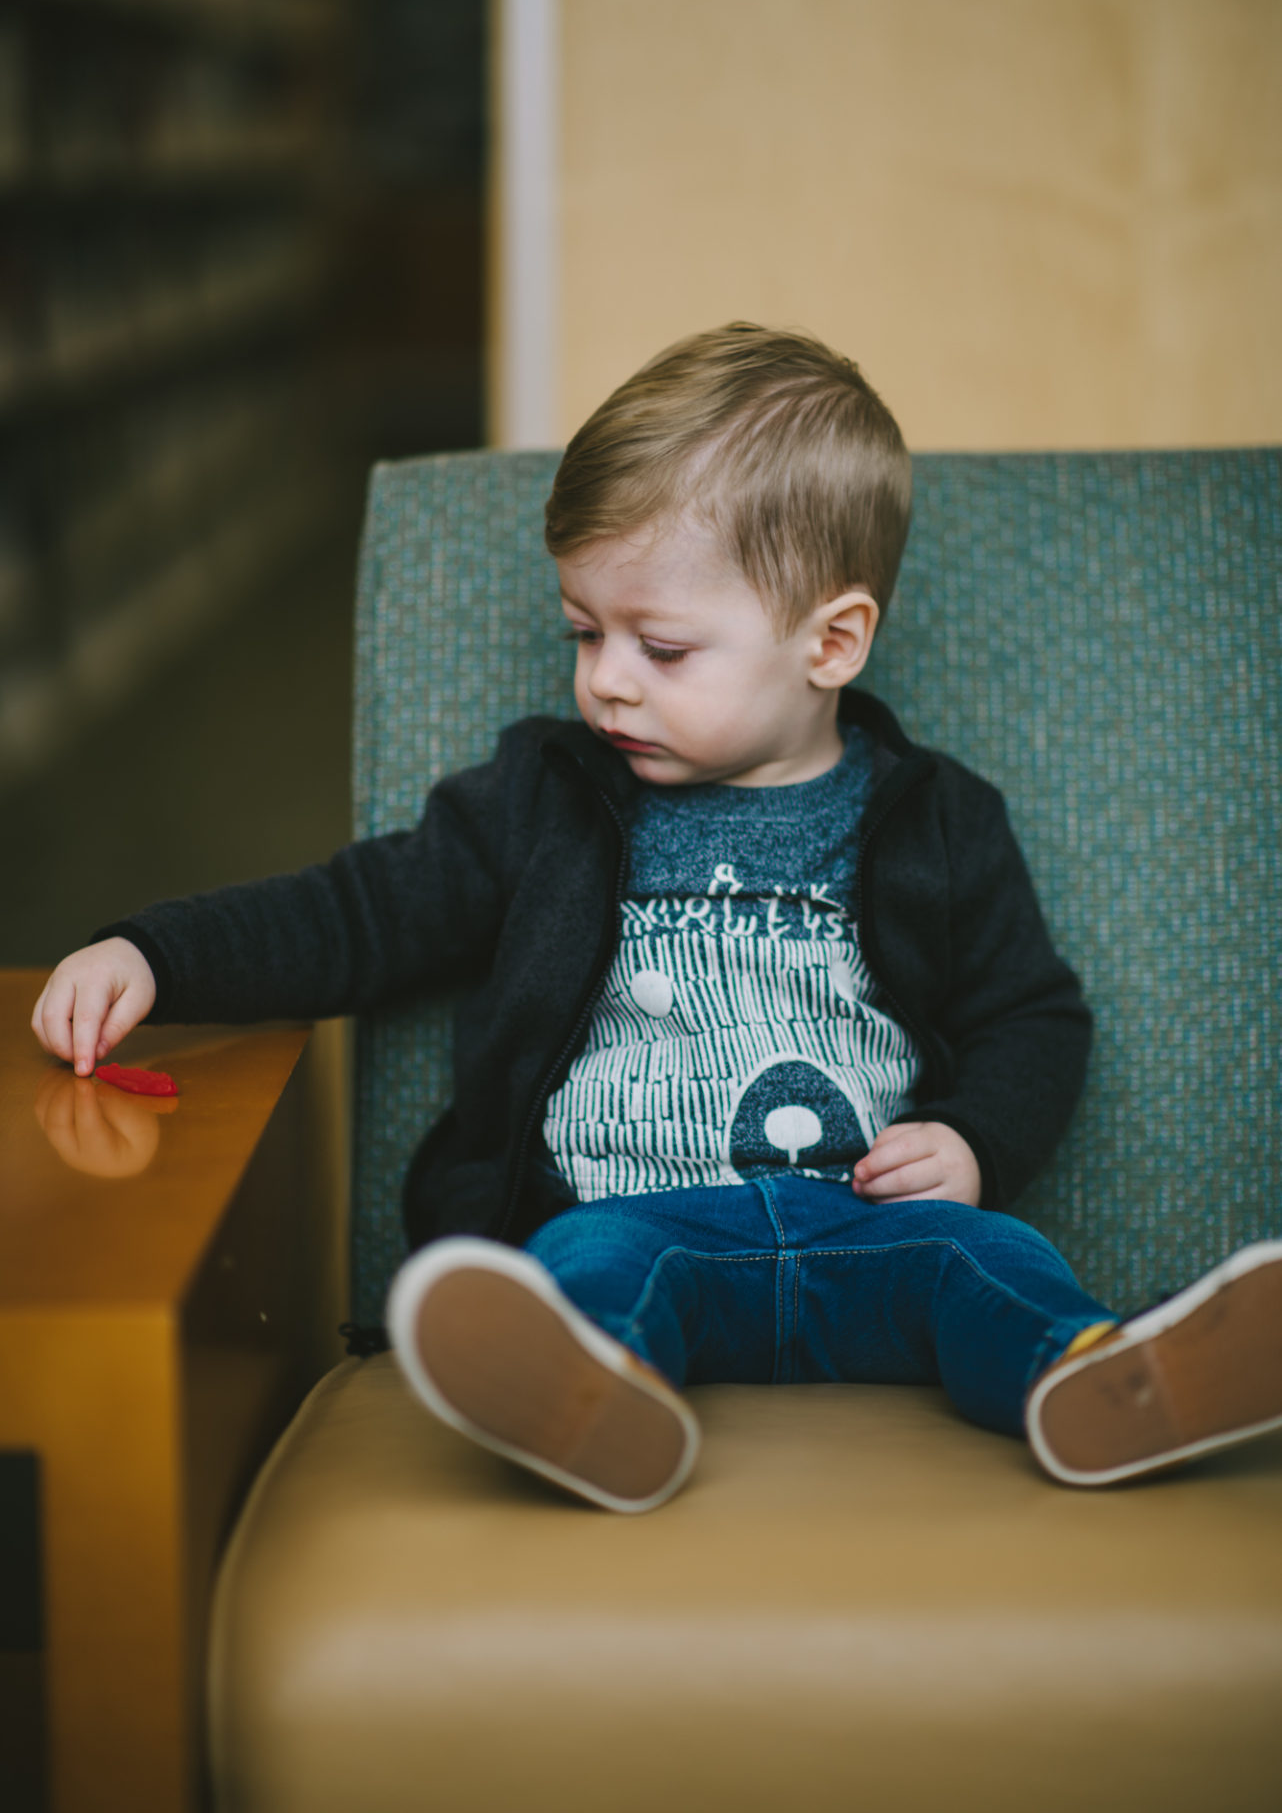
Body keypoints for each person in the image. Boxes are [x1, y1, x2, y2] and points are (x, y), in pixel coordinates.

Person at [31, 324, 1282, 1514]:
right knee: (580, 1279)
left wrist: (970, 1143)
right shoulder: (546, 799)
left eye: (662, 647)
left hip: (871, 1234)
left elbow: (1032, 1016)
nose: (604, 681)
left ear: (831, 641)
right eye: (583, 630)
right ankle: (593, 1405)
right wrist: (155, 950)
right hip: (632, 1221)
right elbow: (358, 913)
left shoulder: (936, 822)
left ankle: (1103, 1378)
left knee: (994, 1266)